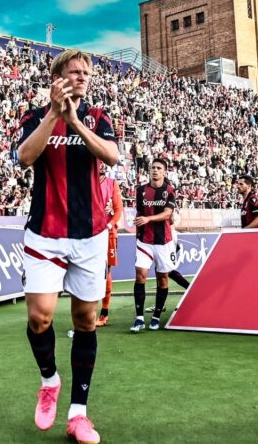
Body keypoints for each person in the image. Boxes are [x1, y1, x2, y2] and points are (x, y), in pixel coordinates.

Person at [17, 50, 119, 444]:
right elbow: (25, 157)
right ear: (56, 77)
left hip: (90, 234)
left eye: (86, 74)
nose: (82, 78)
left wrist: (75, 120)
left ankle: (79, 415)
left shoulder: (98, 116)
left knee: (85, 321)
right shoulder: (32, 115)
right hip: (44, 232)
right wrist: (54, 117)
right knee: (40, 318)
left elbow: (111, 155)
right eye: (75, 72)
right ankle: (49, 380)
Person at [131, 157, 178, 333]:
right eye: (153, 168)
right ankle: (139, 318)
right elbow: (139, 213)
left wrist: (148, 219)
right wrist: (137, 232)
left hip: (163, 241)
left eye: (158, 168)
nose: (155, 170)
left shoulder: (169, 190)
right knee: (140, 275)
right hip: (144, 241)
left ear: (164, 172)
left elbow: (167, 214)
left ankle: (157, 316)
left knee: (163, 278)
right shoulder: (141, 190)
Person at [96, 175, 123, 327]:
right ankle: (88, 311)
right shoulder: (85, 180)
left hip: (108, 233)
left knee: (106, 270)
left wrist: (109, 224)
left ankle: (104, 311)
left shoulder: (112, 183)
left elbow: (119, 210)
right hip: (90, 233)